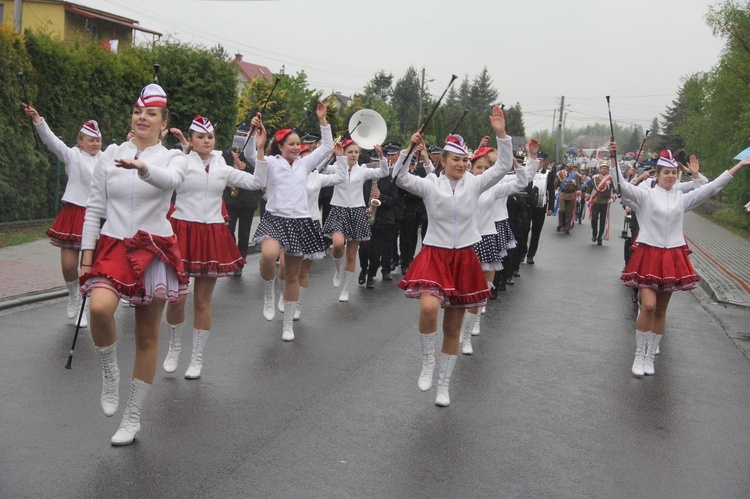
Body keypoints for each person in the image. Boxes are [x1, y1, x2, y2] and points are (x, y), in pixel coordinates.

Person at [79, 83, 188, 445]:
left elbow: (170, 181)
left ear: (163, 121)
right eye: (138, 111)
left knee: (145, 335)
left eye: (151, 113)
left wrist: (141, 166)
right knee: (99, 309)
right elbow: (94, 207)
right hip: (112, 245)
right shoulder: (110, 153)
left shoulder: (174, 157)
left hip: (154, 246)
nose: (142, 118)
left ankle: (133, 416)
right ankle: (110, 373)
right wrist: (86, 256)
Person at [394, 105, 513, 407]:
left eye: (464, 160)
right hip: (435, 255)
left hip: (464, 258)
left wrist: (501, 134)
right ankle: (427, 362)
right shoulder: (430, 186)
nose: (461, 165)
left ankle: (444, 385)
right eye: (455, 160)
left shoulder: (475, 182)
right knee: (429, 308)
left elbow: (502, 167)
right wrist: (410, 147)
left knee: (453, 327)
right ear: (442, 161)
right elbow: (398, 177)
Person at [609, 142, 750, 378]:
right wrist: (613, 158)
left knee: (662, 310)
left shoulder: (681, 199)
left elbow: (710, 188)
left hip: (671, 256)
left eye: (674, 173)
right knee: (649, 306)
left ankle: (651, 353)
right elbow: (620, 185)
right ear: (657, 174)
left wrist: (739, 166)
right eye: (666, 173)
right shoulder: (645, 195)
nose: (671, 177)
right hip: (648, 254)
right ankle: (639, 355)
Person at [162, 116, 266, 379]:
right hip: (183, 231)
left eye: (210, 137)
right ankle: (174, 348)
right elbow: (161, 179)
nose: (206, 141)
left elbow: (256, 183)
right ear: (192, 140)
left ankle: (196, 357)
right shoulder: (181, 162)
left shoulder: (222, 165)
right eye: (200, 137)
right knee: (176, 298)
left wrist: (261, 151)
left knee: (202, 301)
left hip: (211, 233)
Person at [244, 101, 333, 341]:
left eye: (298, 144)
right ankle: (267, 292)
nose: (296, 148)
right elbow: (249, 154)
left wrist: (323, 120)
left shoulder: (305, 164)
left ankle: (287, 324)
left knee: (292, 275)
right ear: (280, 146)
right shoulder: (271, 163)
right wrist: (256, 138)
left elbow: (327, 147)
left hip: (300, 222)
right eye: (291, 144)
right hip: (275, 218)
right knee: (269, 256)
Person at [22, 104, 102, 327]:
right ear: (80, 142)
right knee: (69, 265)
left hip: (96, 216)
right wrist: (39, 120)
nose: (95, 144)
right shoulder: (72, 156)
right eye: (90, 140)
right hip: (74, 213)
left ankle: (84, 307)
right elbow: (52, 142)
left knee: (90, 266)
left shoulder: (106, 158)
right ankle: (74, 296)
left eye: (97, 140)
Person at [461, 148, 533, 355]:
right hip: (463, 240)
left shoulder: (494, 187)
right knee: (463, 287)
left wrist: (517, 164)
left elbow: (521, 182)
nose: (483, 171)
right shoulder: (461, 185)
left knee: (480, 283)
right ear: (470, 168)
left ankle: (469, 332)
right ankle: (459, 326)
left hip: (485, 236)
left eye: (487, 168)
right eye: (479, 167)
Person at [322, 138, 389, 301]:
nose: (353, 155)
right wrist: (331, 155)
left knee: (352, 255)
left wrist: (381, 157)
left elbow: (384, 172)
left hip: (357, 211)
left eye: (356, 152)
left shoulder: (363, 170)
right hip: (338, 209)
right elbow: (320, 169)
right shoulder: (336, 168)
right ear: (343, 153)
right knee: (337, 244)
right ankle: (338, 269)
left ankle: (345, 289)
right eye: (350, 152)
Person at [586, 161, 615, 245]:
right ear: (600, 169)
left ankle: (600, 238)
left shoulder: (611, 178)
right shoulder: (595, 178)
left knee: (603, 220)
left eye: (606, 169)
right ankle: (594, 233)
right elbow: (590, 188)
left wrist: (613, 198)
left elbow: (615, 190)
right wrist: (587, 198)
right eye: (603, 168)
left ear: (608, 170)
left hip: (605, 201)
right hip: (596, 200)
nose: (604, 170)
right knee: (594, 219)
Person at [554, 160, 581, 234]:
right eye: (569, 167)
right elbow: (556, 183)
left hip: (571, 195)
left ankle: (567, 227)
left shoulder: (575, 175)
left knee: (569, 212)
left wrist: (578, 193)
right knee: (561, 210)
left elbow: (578, 186)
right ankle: (560, 224)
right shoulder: (560, 174)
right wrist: (555, 191)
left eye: (571, 167)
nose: (570, 168)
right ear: (565, 167)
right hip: (562, 194)